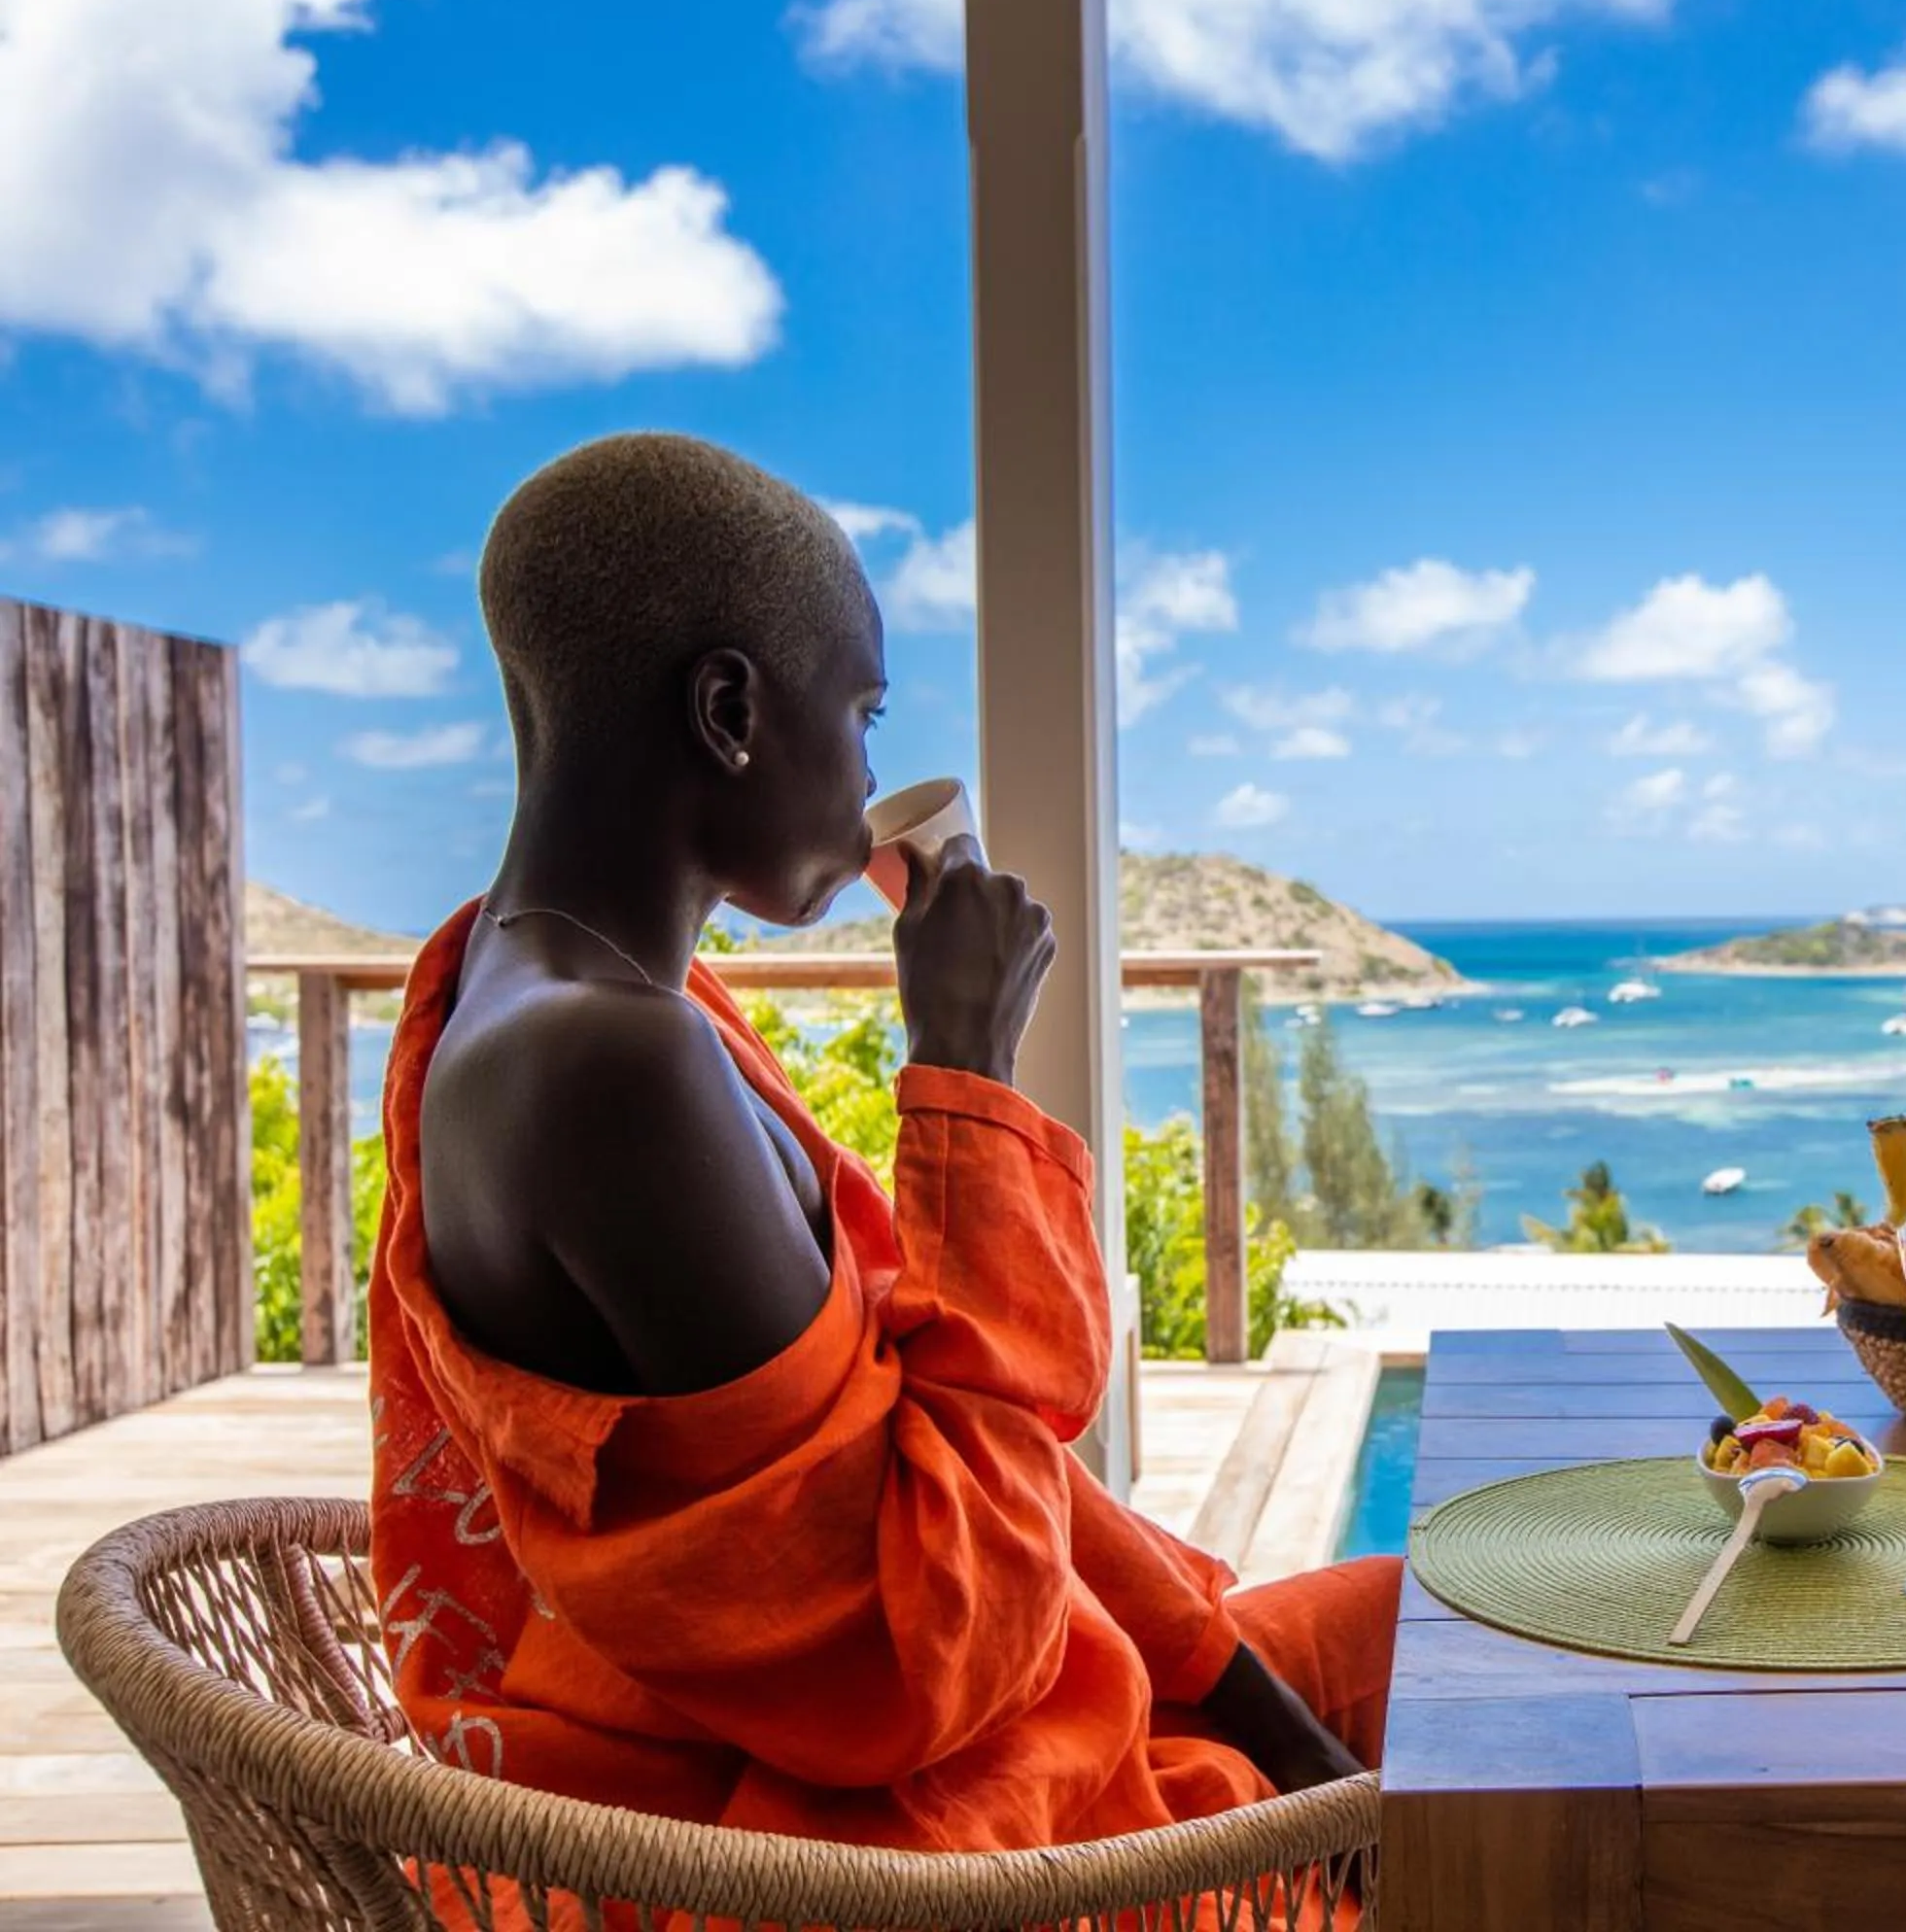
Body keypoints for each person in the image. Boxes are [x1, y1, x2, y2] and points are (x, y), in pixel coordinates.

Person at [366, 431, 1396, 1862]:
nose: (867, 774)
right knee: (1525, 1779)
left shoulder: (533, 984)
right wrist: (965, 1077)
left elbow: (903, 1421)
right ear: (728, 709)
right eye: (859, 713)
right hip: (882, 1856)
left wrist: (1269, 1722)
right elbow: (928, 1667)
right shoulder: (608, 1065)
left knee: (1423, 1625)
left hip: (884, 1735)